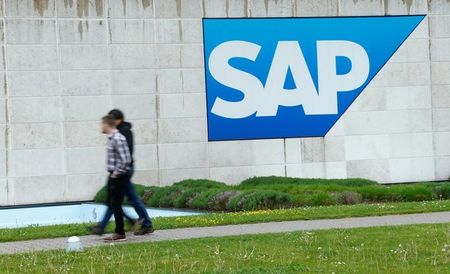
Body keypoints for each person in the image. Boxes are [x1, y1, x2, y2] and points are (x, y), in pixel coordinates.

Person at [91, 110, 154, 236]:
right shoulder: (116, 134)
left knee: (118, 201)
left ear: (118, 120)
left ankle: (140, 224)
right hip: (120, 171)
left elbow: (126, 157)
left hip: (122, 171)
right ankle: (134, 223)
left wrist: (116, 172)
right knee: (116, 201)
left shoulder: (122, 133)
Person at [101, 115, 131, 242]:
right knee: (114, 204)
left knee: (116, 204)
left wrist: (116, 174)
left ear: (107, 124)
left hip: (118, 176)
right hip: (114, 175)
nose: (101, 127)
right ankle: (120, 231)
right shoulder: (112, 138)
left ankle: (120, 233)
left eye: (102, 124)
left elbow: (126, 160)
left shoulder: (118, 138)